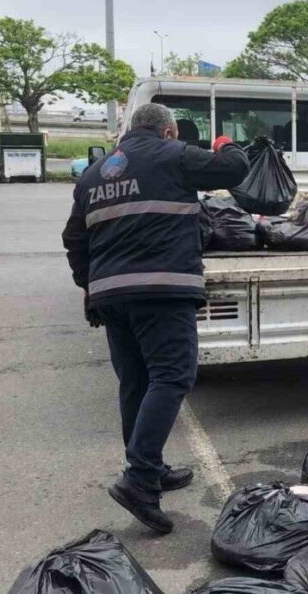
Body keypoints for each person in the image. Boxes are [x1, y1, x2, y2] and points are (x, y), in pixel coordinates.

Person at [62, 104, 248, 534]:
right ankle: (140, 480)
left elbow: (74, 238)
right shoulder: (174, 155)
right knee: (171, 378)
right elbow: (234, 169)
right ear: (167, 132)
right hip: (162, 290)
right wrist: (223, 142)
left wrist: (89, 285)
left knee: (137, 382)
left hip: (112, 296)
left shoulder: (93, 174)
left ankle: (150, 465)